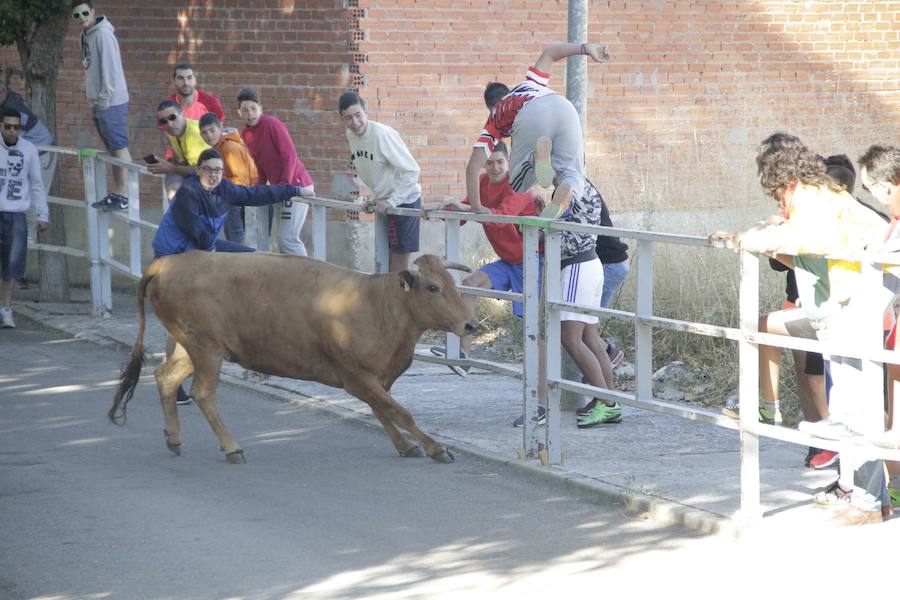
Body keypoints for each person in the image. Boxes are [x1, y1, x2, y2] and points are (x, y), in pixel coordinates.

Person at [711, 133, 892, 525]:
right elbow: (804, 252)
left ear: (779, 174)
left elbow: (812, 240)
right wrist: (762, 237)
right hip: (843, 304)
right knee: (848, 405)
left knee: (855, 407)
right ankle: (870, 496)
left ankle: (867, 503)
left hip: (855, 302)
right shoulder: (812, 195)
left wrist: (758, 238)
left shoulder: (812, 196)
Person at [152, 147, 305, 403]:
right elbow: (199, 234)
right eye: (208, 170)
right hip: (173, 256)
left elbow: (254, 194)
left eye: (218, 171)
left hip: (201, 252)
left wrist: (294, 190)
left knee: (254, 258)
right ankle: (173, 381)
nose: (213, 175)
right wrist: (222, 264)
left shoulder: (224, 188)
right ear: (198, 171)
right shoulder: (189, 193)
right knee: (182, 319)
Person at [431, 142, 541, 376]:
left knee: (546, 324)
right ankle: (463, 355)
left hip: (535, 261)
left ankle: (605, 351)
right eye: (489, 163)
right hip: (509, 262)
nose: (495, 168)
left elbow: (502, 217)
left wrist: (467, 208)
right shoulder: (481, 183)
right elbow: (462, 215)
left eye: (500, 162)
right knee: (470, 284)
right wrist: (439, 210)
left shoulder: (519, 185)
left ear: (508, 162)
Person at [465, 42, 609, 220]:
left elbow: (473, 167)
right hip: (564, 107)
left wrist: (476, 207)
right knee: (572, 172)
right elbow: (549, 53)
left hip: (531, 113)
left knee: (517, 184)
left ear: (490, 107)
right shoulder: (531, 84)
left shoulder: (496, 116)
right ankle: (567, 197)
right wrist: (586, 48)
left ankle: (535, 158)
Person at [858, 143, 900, 511]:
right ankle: (896, 486)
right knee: (894, 414)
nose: (870, 195)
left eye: (868, 188)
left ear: (886, 187)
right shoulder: (893, 220)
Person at [339, 91, 420, 271]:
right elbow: (377, 171)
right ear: (342, 119)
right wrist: (375, 199)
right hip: (384, 203)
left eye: (358, 115)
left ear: (366, 112)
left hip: (404, 202)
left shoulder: (382, 134)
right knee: (382, 263)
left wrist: (392, 201)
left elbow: (412, 170)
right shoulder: (351, 135)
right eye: (348, 118)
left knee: (398, 270)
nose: (355, 122)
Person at [237, 87, 314, 257]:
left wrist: (285, 185)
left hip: (295, 186)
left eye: (253, 108)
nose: (250, 113)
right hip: (279, 190)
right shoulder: (246, 134)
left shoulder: (272, 124)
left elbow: (289, 154)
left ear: (260, 108)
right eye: (245, 110)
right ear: (239, 113)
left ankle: (307, 271)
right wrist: (258, 188)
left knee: (288, 239)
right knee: (279, 241)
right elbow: (259, 164)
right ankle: (289, 273)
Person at [73, 1, 133, 212]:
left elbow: (111, 69)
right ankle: (116, 193)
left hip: (111, 101)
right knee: (113, 149)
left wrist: (105, 99)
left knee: (119, 147)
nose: (82, 17)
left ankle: (125, 196)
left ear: (93, 12)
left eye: (85, 13)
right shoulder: (84, 36)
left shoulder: (103, 35)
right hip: (98, 102)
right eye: (77, 15)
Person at [0, 80, 57, 290]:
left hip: (42, 154)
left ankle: (20, 271)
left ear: (3, 91)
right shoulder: (7, 106)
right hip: (28, 155)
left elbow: (14, 142)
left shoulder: (14, 111)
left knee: (31, 210)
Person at [0, 109, 48, 329]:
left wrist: (42, 214)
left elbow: (37, 184)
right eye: (8, 126)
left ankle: (6, 309)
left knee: (12, 267)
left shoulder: (29, 149)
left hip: (17, 213)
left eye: (16, 127)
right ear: (1, 126)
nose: (12, 131)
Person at [199, 112, 258, 245]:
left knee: (237, 237)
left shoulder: (228, 147)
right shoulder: (220, 147)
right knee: (232, 237)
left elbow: (240, 179)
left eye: (212, 130)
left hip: (239, 198)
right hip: (232, 196)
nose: (209, 136)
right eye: (204, 133)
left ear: (220, 127)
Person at [588, 178, 627, 367]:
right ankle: (597, 370)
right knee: (587, 324)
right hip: (614, 263)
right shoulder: (579, 184)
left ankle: (607, 355)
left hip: (608, 264)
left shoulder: (574, 186)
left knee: (582, 325)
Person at [146, 100, 210, 199]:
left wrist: (170, 168)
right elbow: (182, 161)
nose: (170, 124)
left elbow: (200, 170)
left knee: (180, 193)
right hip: (194, 172)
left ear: (183, 114)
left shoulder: (195, 134)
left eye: (172, 117)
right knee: (173, 191)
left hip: (210, 175)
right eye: (163, 121)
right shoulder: (171, 133)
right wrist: (164, 164)